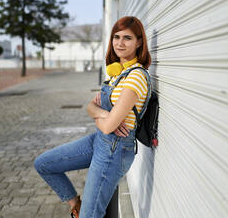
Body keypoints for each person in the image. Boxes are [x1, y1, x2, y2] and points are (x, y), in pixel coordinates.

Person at [34, 16, 151, 218]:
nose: (120, 43)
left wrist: (99, 115)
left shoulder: (136, 77)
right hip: (98, 140)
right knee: (44, 164)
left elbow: (108, 126)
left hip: (115, 148)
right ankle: (75, 205)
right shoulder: (117, 74)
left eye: (127, 38)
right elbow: (90, 107)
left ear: (139, 42)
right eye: (116, 37)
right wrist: (103, 114)